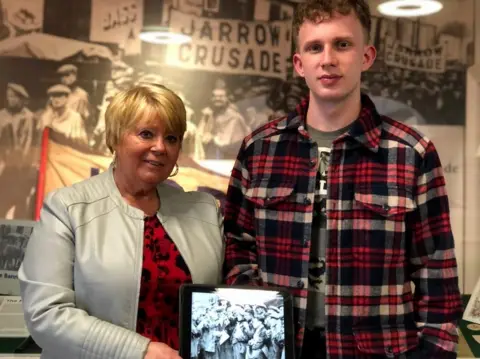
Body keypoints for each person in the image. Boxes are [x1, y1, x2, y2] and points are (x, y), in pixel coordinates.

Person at [223, 1, 463, 359]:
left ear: (366, 56)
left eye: (342, 44)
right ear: (299, 63)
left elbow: (436, 272)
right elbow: (237, 250)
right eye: (314, 47)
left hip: (379, 351)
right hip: (278, 347)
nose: (328, 58)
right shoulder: (259, 149)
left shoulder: (412, 153)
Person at [19, 84, 224, 359]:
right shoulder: (68, 207)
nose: (161, 147)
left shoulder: (205, 211)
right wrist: (140, 351)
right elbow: (46, 314)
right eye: (146, 134)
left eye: (172, 138)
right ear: (115, 137)